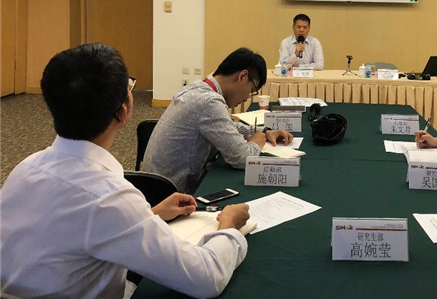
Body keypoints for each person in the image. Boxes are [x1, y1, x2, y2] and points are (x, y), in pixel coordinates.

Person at [0, 43, 251, 298]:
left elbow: (70, 234)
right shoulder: (109, 198)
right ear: (123, 113)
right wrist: (229, 227)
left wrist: (151, 215)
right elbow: (206, 278)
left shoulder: (24, 169)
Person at [142, 47, 293, 193]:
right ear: (242, 76)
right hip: (171, 194)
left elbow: (226, 126)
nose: (247, 98)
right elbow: (243, 159)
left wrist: (263, 131)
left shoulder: (197, 88)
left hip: (153, 187)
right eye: (251, 90)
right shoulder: (209, 102)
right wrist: (256, 141)